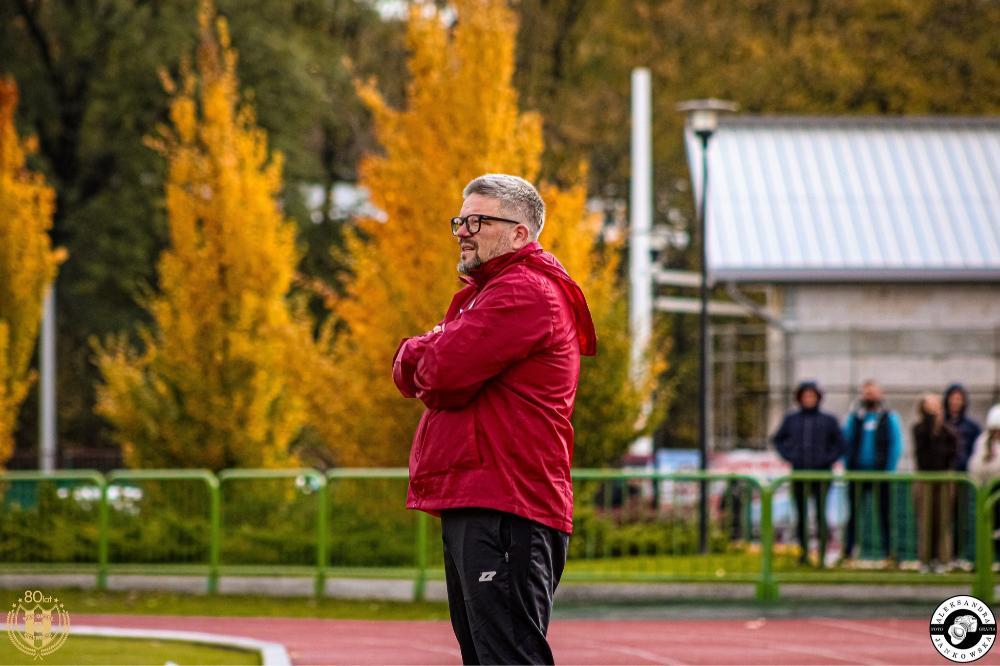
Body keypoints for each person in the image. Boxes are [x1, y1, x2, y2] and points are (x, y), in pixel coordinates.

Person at [392, 174, 596, 665]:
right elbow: (411, 371)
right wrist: (426, 349)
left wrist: (427, 345)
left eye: (478, 221)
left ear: (520, 233)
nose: (463, 231)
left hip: (506, 501)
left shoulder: (523, 292)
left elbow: (439, 372)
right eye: (460, 220)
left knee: (507, 657)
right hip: (485, 497)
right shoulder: (489, 294)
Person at [772, 380, 845, 566]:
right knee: (801, 516)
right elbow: (778, 439)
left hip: (822, 475)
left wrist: (826, 459)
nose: (808, 399)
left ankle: (822, 556)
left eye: (812, 396)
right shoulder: (792, 419)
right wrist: (791, 456)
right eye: (805, 396)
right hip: (799, 474)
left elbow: (840, 444)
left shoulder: (828, 420)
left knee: (821, 515)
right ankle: (803, 554)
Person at [842, 379, 903, 563]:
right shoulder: (855, 417)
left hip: (881, 475)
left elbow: (896, 445)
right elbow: (846, 442)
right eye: (867, 392)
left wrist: (889, 471)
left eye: (873, 392)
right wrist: (848, 468)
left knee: (884, 515)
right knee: (853, 516)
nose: (870, 396)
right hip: (857, 474)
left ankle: (889, 553)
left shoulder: (889, 417)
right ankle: (848, 552)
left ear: (880, 394)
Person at [912, 394, 959, 573]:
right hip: (925, 479)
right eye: (929, 408)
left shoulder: (948, 431)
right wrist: (931, 426)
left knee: (943, 521)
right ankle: (925, 559)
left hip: (944, 480)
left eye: (936, 407)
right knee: (925, 521)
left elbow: (950, 454)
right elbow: (923, 455)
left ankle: (943, 559)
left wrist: (939, 429)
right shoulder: (919, 429)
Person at [943, 383, 982, 565]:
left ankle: (958, 554)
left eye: (959, 398)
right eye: (953, 398)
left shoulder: (972, 427)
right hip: (943, 477)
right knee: (943, 518)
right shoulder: (940, 423)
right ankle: (944, 555)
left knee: (961, 517)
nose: (955, 402)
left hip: (963, 478)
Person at [966, 404, 1000, 567]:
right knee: (989, 528)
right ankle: (988, 562)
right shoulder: (983, 442)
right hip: (989, 493)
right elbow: (976, 468)